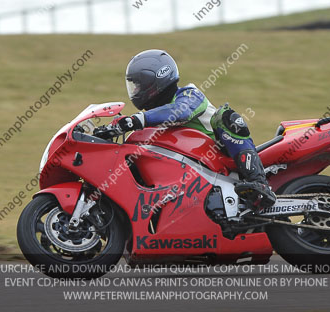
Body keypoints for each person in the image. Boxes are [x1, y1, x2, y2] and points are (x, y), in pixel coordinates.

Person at [97, 49, 276, 211]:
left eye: (137, 85)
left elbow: (180, 112)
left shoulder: (189, 95)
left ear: (153, 82)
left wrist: (135, 120)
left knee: (226, 117)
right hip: (194, 171)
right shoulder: (153, 118)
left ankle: (258, 182)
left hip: (222, 157)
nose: (135, 91)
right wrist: (112, 129)